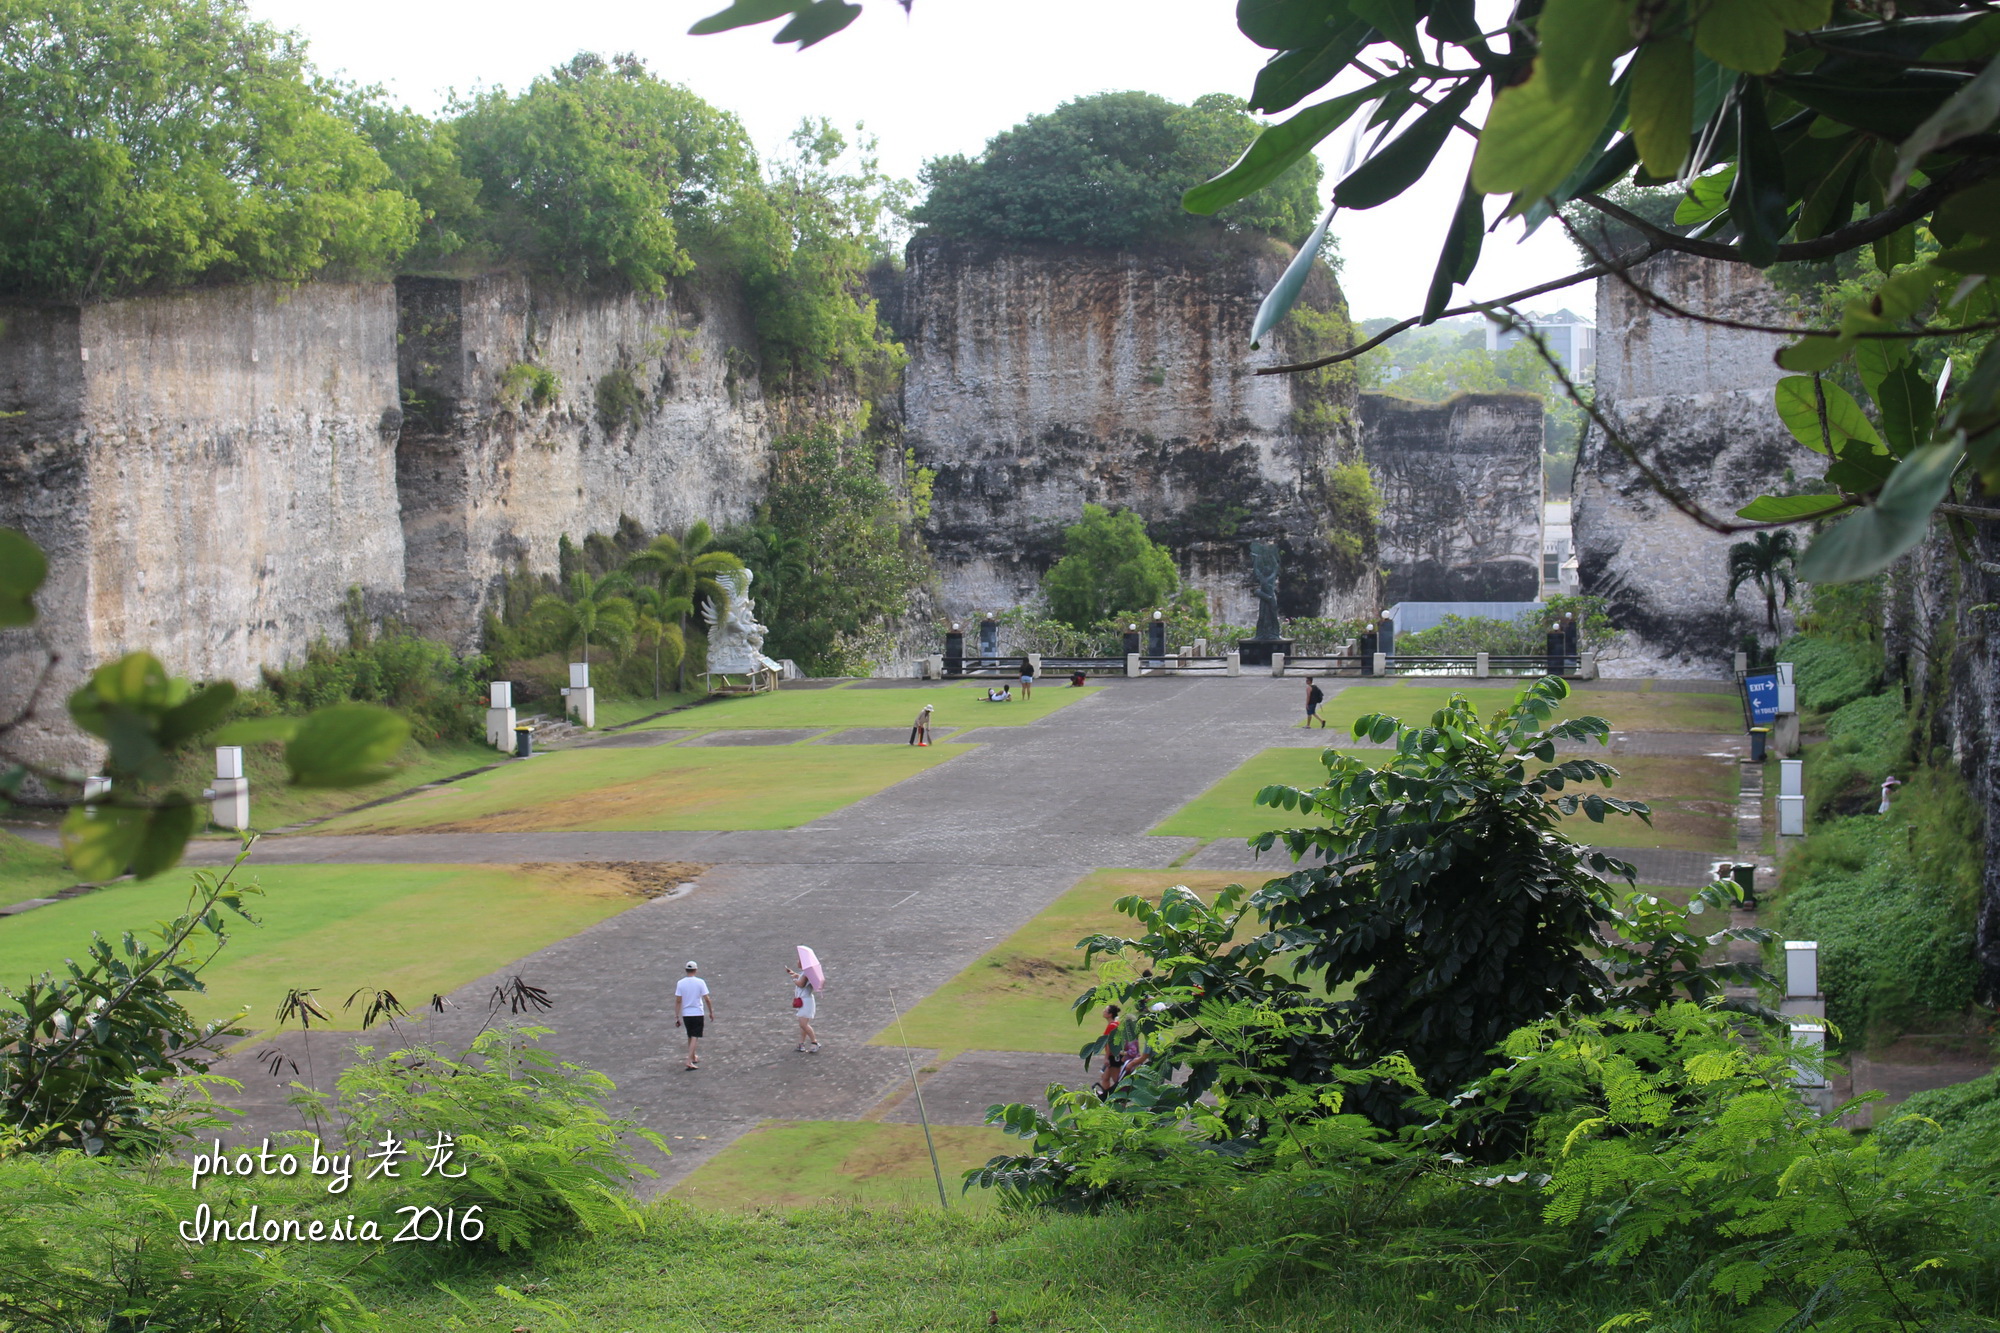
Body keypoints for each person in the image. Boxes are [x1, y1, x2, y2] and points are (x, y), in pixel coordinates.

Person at [674, 961, 713, 1070]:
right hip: (697, 1012)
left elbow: (678, 1001)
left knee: (690, 1035)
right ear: (695, 970)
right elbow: (707, 999)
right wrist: (711, 1012)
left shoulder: (680, 983)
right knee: (695, 1036)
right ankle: (689, 1060)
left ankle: (693, 1056)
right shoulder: (700, 982)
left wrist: (677, 1016)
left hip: (686, 1014)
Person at [787, 962, 820, 1052]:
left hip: (806, 1002)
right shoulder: (806, 973)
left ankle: (814, 1042)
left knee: (803, 1024)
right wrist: (794, 974)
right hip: (804, 1000)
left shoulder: (807, 974)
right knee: (803, 1025)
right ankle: (801, 1044)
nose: (797, 962)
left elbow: (801, 984)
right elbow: (802, 978)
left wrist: (794, 979)